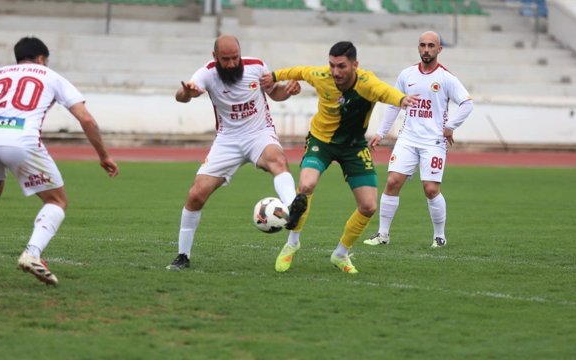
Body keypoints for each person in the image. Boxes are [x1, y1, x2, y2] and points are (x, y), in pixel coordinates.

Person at [0, 36, 119, 286]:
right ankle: (32, 254)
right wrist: (104, 155)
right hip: (22, 140)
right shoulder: (51, 76)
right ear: (42, 59)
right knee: (57, 200)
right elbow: (86, 120)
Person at [260, 41, 419, 274]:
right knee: (306, 185)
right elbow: (299, 71)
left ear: (355, 65)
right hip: (321, 142)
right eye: (332, 65)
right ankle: (292, 243)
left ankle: (340, 254)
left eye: (342, 66)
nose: (335, 72)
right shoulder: (322, 76)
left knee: (368, 206)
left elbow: (384, 92)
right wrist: (273, 76)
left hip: (353, 147)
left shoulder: (367, 83)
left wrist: (401, 99)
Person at [166, 35, 308, 271]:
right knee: (196, 194)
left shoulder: (256, 66)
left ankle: (292, 207)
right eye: (226, 59)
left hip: (259, 133)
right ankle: (182, 255)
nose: (232, 64)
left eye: (235, 58)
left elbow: (275, 94)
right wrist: (187, 93)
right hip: (227, 141)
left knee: (277, 160)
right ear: (215, 57)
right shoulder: (206, 73)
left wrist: (289, 91)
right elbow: (181, 97)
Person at [364, 31, 474, 247]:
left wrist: (451, 126)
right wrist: (380, 133)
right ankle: (382, 235)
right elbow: (394, 103)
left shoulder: (446, 78)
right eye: (422, 45)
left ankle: (439, 236)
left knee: (431, 189)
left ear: (439, 49)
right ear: (418, 48)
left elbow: (467, 103)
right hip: (407, 139)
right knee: (393, 182)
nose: (426, 49)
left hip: (433, 142)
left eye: (431, 45)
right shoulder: (407, 75)